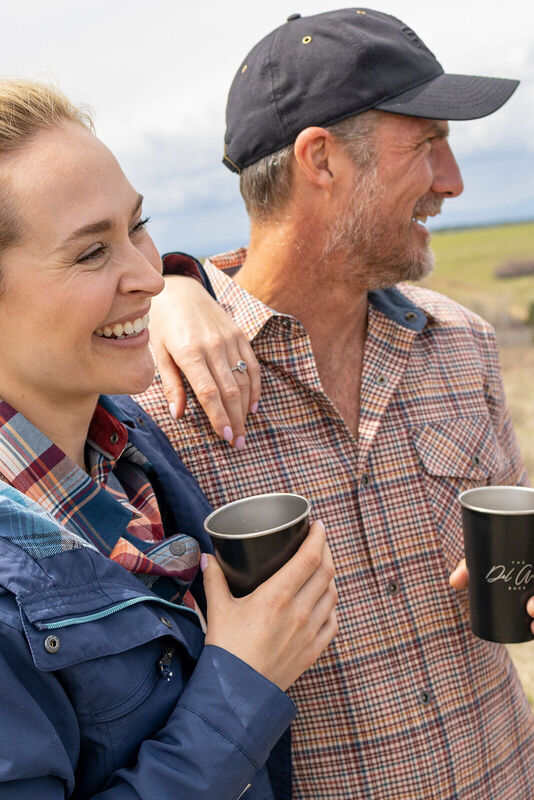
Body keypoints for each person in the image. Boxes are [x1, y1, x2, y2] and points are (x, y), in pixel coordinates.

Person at [138, 8, 534, 799]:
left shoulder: (463, 342)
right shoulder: (151, 400)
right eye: (427, 144)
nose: (453, 181)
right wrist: (164, 292)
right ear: (320, 158)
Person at [0, 78, 339, 799]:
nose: (149, 276)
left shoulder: (129, 443)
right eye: (92, 254)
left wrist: (190, 282)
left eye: (138, 225)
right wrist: (244, 683)